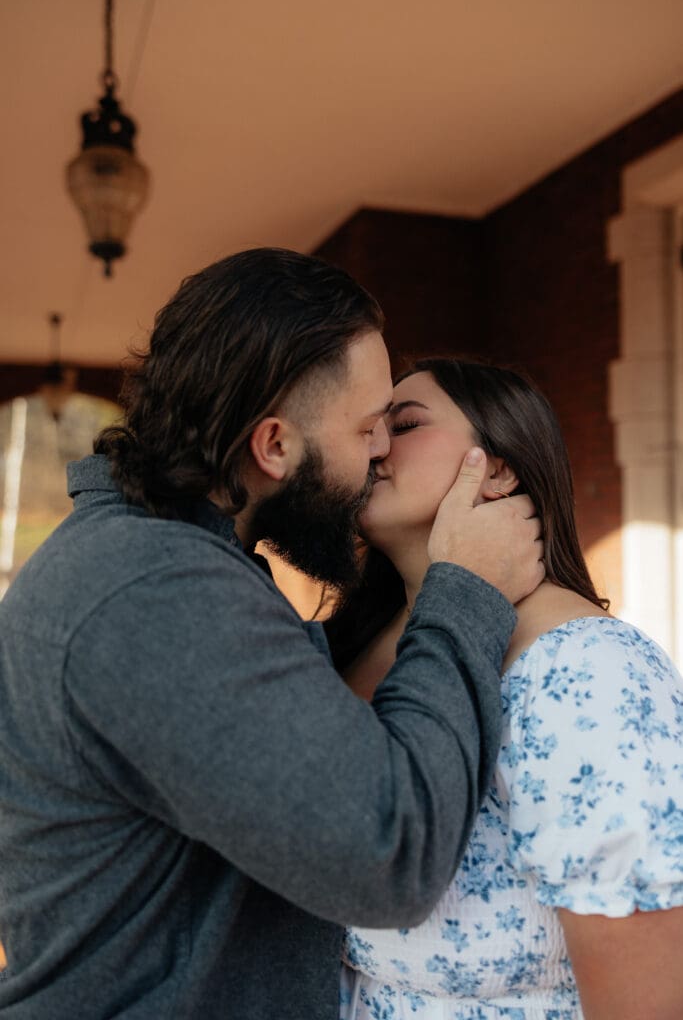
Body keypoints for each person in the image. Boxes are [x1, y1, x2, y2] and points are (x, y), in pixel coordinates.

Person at [0, 251, 544, 1019]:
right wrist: (466, 593)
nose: (381, 451)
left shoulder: (155, 561)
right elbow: (387, 859)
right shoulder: (154, 590)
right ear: (275, 446)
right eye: (366, 428)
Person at [331, 358, 683, 1020]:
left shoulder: (584, 669)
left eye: (402, 424)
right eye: (369, 427)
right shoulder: (351, 645)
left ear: (496, 467)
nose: (374, 443)